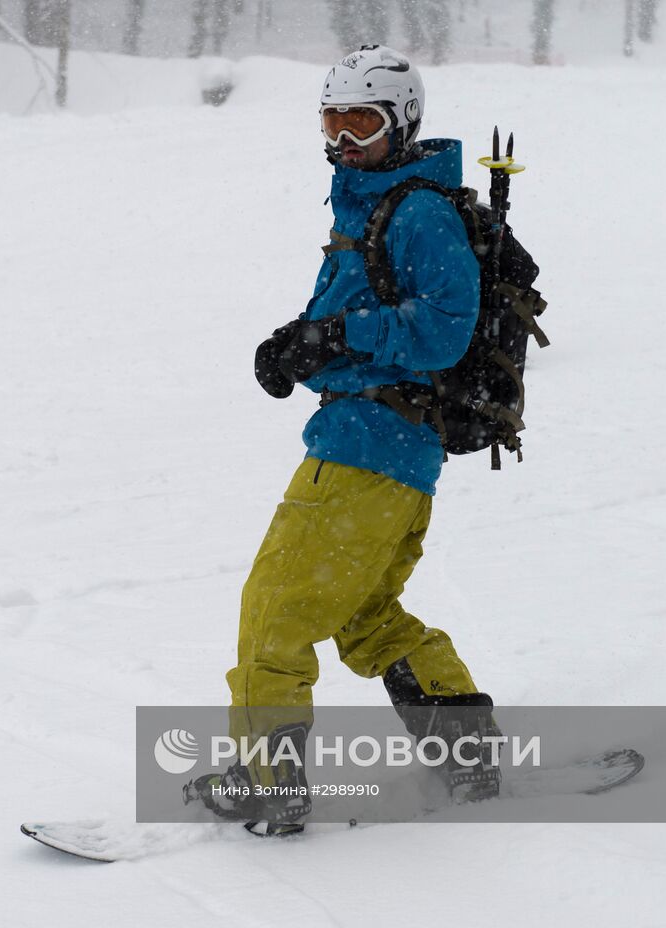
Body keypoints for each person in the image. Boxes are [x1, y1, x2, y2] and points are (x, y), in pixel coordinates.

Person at [197, 45, 501, 836]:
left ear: (400, 124)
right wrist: (296, 344)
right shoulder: (368, 208)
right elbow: (352, 321)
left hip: (369, 449)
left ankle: (269, 784)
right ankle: (468, 757)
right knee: (366, 614)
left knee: (275, 610)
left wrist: (332, 338)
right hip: (390, 455)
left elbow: (443, 330)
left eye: (360, 123)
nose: (342, 142)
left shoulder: (419, 211)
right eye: (331, 123)